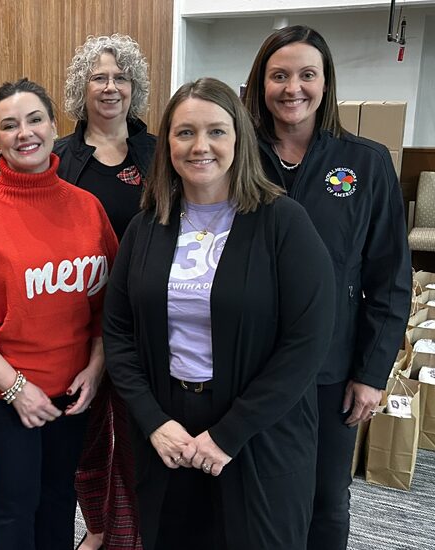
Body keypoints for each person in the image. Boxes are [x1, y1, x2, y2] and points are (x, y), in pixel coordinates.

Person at [104, 77, 336, 549]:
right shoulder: (146, 227)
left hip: (257, 434)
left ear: (239, 140)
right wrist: (153, 420)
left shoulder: (282, 222)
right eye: (185, 132)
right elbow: (118, 332)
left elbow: (306, 344)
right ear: (166, 141)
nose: (200, 146)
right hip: (168, 433)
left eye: (216, 131)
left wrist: (228, 435)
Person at [242, 26, 412, 550]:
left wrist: (371, 372)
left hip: (330, 372)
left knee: (325, 502)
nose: (293, 88)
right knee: (248, 494)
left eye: (306, 74)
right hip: (246, 366)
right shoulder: (234, 155)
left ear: (325, 82)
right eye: (279, 75)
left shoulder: (367, 162)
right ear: (260, 84)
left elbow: (390, 277)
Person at [0, 78, 118, 550]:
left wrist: (96, 370)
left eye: (34, 119)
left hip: (74, 389)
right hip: (2, 390)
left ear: (55, 126)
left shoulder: (88, 209)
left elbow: (110, 306)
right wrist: (16, 389)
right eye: (9, 125)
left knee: (59, 496)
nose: (25, 133)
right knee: (17, 498)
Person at [53, 33, 155, 550]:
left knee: (140, 437)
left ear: (133, 87)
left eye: (121, 77)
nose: (111, 87)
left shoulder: (159, 154)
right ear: (82, 87)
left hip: (144, 322)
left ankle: (132, 535)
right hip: (77, 321)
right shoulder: (58, 156)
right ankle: (96, 528)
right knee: (86, 435)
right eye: (99, 77)